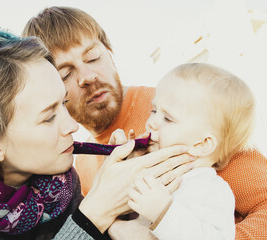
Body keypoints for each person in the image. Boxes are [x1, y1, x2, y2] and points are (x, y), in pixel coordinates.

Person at [0, 29, 191, 240]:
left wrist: (130, 197)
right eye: (48, 117)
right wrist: (94, 212)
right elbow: (86, 225)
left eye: (63, 105)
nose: (72, 127)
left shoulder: (57, 183)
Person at [22, 6, 267, 239]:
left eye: (93, 58)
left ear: (110, 53)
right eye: (66, 74)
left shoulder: (188, 112)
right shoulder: (80, 166)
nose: (87, 76)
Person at [112, 62, 255, 239]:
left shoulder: (209, 189)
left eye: (168, 119)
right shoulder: (154, 172)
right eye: (154, 110)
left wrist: (163, 213)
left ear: (202, 144)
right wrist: (126, 165)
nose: (151, 122)